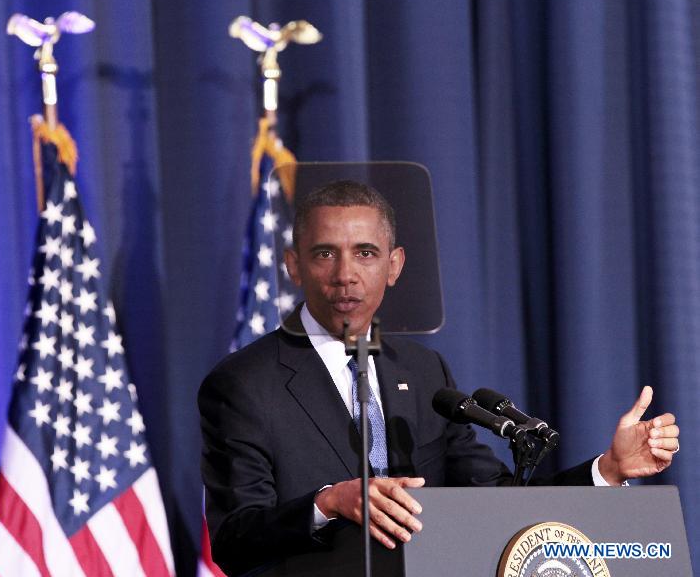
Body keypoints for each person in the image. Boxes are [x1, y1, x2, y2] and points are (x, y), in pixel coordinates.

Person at [198, 180, 681, 576]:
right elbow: (235, 540)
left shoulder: (423, 372)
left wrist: (608, 470)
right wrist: (329, 503)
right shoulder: (244, 385)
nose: (345, 274)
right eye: (325, 253)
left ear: (395, 266)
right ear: (294, 265)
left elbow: (500, 505)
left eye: (365, 253)